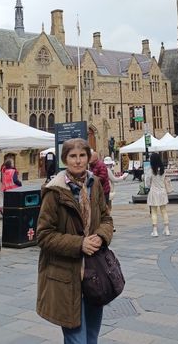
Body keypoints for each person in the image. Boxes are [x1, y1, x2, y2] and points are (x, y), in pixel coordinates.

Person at [36, 137, 113, 344]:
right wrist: (80, 244)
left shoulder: (94, 183)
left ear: (88, 158)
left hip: (94, 272)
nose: (78, 161)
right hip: (66, 274)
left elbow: (106, 218)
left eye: (82, 156)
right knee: (76, 338)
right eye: (73, 156)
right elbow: (43, 235)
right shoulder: (54, 192)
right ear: (64, 159)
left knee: (92, 336)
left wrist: (102, 236)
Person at [146, 152, 170, 237]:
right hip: (162, 191)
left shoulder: (151, 170)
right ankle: (167, 229)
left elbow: (147, 183)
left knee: (154, 211)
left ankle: (155, 230)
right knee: (164, 210)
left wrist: (150, 186)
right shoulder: (163, 170)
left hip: (154, 192)